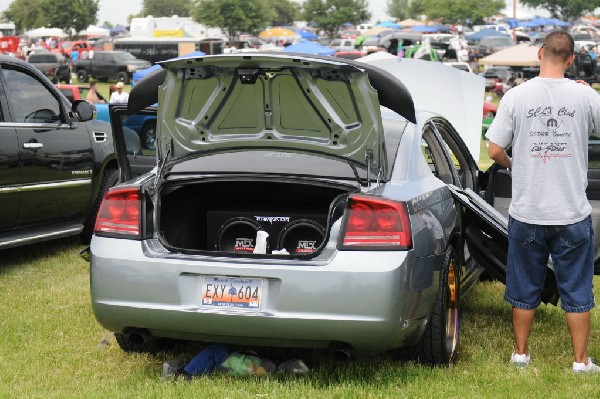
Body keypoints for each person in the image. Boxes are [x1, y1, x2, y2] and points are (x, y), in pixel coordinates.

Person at [486, 30, 600, 373]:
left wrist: (514, 164)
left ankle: (520, 354)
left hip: (528, 210)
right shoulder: (586, 96)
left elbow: (493, 149)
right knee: (576, 287)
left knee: (523, 284)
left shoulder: (516, 96)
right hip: (571, 211)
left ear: (539, 54)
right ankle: (580, 361)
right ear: (570, 59)